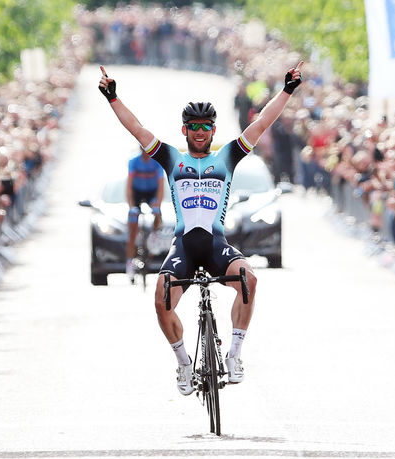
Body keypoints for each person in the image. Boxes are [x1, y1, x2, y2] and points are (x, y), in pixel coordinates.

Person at [99, 61, 303, 394]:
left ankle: (235, 354)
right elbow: (135, 127)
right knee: (160, 300)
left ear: (213, 130)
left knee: (249, 280)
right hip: (183, 247)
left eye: (206, 126)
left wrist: (287, 90)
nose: (199, 131)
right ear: (184, 130)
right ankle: (182, 362)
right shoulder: (169, 157)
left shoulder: (227, 157)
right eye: (193, 125)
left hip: (216, 244)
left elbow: (263, 121)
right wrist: (113, 98)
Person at [126, 148, 164, 280]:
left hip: (151, 192)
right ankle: (129, 263)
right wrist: (131, 206)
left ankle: (154, 235)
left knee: (157, 213)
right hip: (137, 192)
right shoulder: (134, 162)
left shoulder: (157, 162)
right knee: (132, 225)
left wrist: (157, 205)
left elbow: (161, 186)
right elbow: (129, 186)